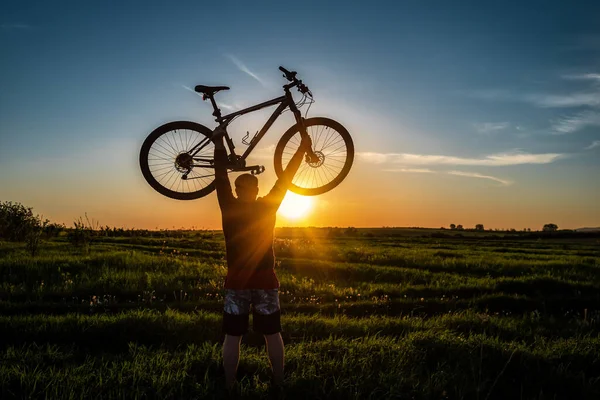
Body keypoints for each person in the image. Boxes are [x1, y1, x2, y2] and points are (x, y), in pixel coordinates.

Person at [211, 129, 311, 390]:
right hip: (266, 281)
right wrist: (301, 148)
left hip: (236, 283)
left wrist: (218, 142)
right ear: (256, 189)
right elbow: (286, 178)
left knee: (232, 337)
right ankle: (278, 382)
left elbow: (220, 173)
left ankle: (230, 386)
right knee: (272, 334)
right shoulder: (267, 206)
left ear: (236, 189)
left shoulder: (228, 206)